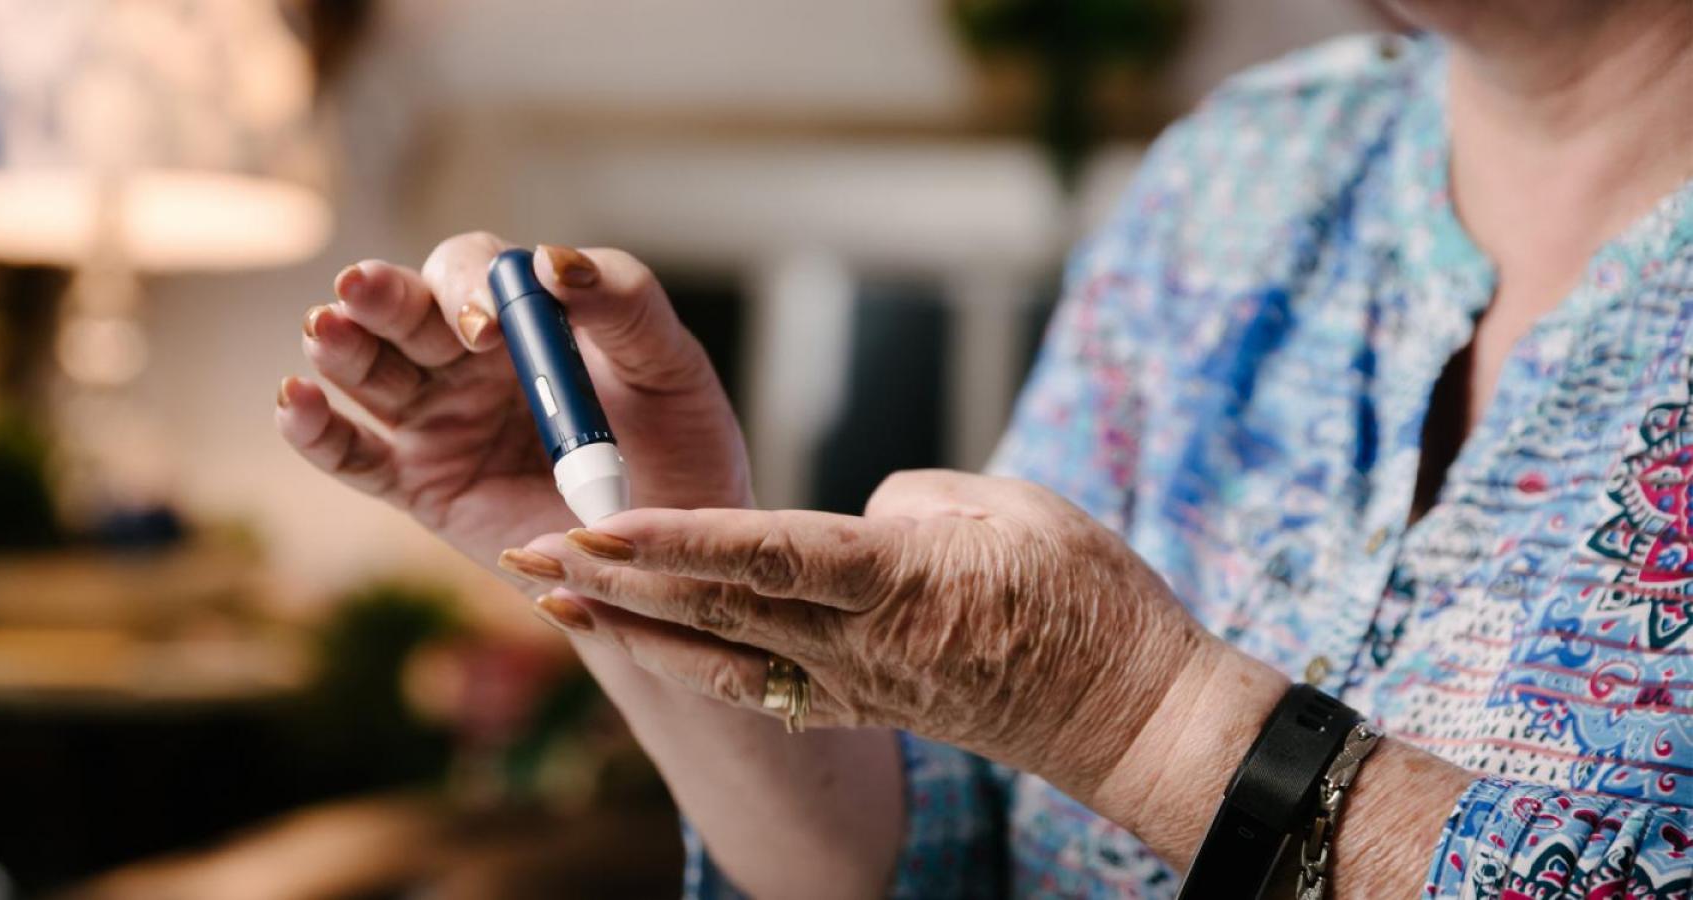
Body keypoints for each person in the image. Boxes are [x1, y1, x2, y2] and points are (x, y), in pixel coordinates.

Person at [275, 0, 1693, 895]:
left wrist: (1141, 721)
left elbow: (1098, 719)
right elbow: (945, 853)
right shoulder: (1246, 176)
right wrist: (639, 551)